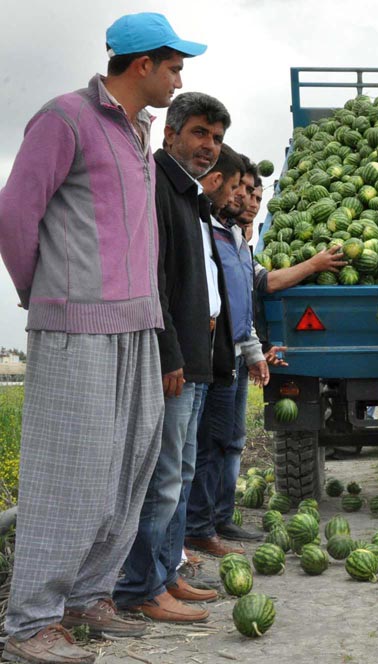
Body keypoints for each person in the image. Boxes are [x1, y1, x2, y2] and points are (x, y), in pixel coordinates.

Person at [0, 13, 205, 663]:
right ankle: (31, 622)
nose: (180, 77)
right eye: (174, 65)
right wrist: (44, 295)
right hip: (75, 325)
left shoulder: (138, 136)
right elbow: (14, 214)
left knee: (125, 470)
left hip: (137, 327)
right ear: (141, 63)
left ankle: (90, 596)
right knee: (70, 476)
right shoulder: (64, 119)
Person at [113, 92, 234, 623]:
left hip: (199, 356)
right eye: (200, 134)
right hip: (177, 357)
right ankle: (141, 586)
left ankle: (166, 575)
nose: (209, 146)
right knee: (163, 479)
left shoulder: (191, 196)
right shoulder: (158, 185)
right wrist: (168, 352)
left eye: (217, 138)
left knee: (181, 475)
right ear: (170, 134)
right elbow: (154, 277)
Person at [186, 150, 271, 553]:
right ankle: (201, 527)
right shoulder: (210, 232)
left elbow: (243, 301)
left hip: (236, 352)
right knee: (211, 443)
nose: (245, 197)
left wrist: (252, 349)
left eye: (251, 191)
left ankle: (219, 518)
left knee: (232, 440)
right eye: (239, 189)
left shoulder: (238, 240)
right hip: (215, 354)